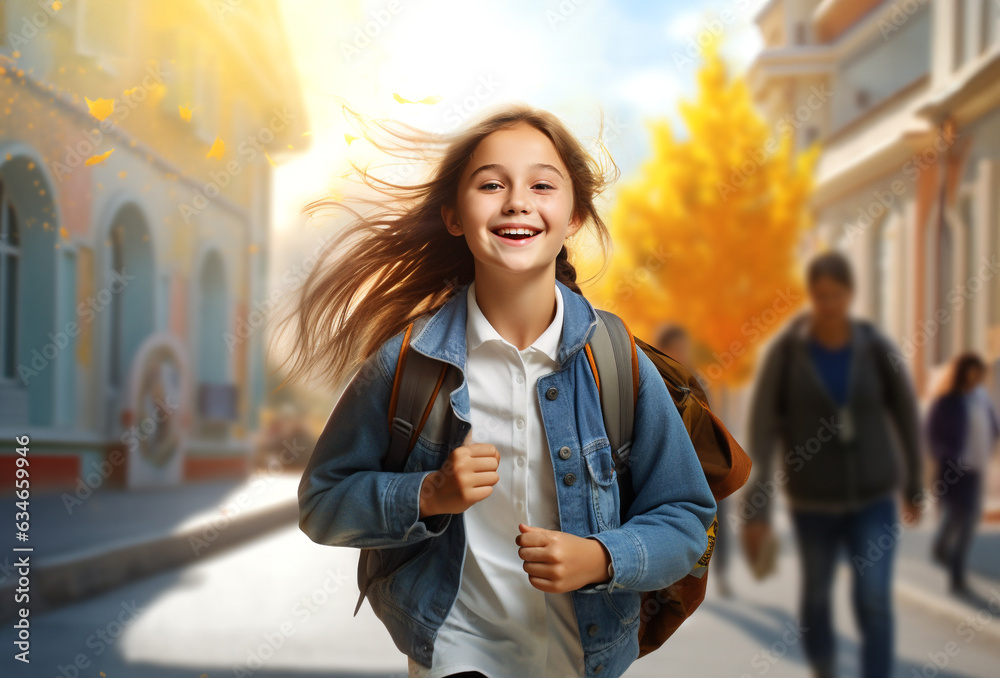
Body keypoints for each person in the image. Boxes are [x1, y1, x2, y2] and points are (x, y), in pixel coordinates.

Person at [284, 102, 717, 678]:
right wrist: (429, 493)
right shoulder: (410, 363)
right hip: (455, 655)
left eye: (542, 184)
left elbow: (686, 515)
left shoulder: (617, 360)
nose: (517, 200)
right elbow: (321, 505)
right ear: (454, 215)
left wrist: (602, 556)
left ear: (575, 216)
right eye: (491, 184)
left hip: (582, 659)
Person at [741, 251, 923, 678]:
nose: (829, 305)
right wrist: (758, 510)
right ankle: (825, 668)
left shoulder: (875, 349)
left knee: (874, 600)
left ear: (850, 295)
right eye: (820, 296)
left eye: (836, 295)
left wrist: (913, 484)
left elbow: (906, 415)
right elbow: (762, 433)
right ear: (812, 296)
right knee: (817, 598)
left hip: (873, 498)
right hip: (813, 502)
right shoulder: (787, 355)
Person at [654, 322, 732, 598]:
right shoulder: (653, 377)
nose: (680, 354)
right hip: (667, 465)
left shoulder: (693, 380)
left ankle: (716, 573)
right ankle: (673, 582)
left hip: (700, 463)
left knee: (715, 517)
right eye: (675, 349)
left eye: (683, 349)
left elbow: (710, 422)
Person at [926, 352, 1000, 595]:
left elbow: (993, 425)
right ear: (962, 371)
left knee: (961, 519)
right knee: (963, 521)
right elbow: (932, 433)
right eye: (972, 370)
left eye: (980, 371)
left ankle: (940, 547)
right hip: (955, 470)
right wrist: (947, 454)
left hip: (977, 470)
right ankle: (957, 576)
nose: (977, 376)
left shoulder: (981, 397)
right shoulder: (947, 400)